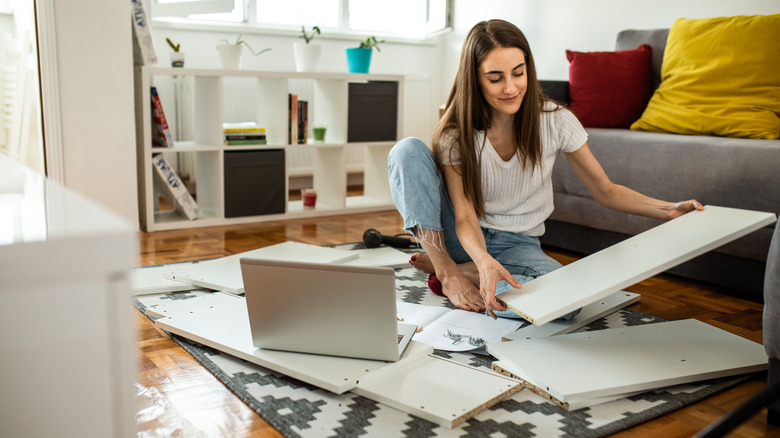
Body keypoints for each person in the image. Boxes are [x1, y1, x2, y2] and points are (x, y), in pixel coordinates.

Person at [387, 19, 703, 320]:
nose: (510, 88)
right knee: (407, 150)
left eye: (518, 73)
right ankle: (448, 271)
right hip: (462, 237)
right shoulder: (456, 134)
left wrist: (669, 209)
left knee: (566, 305)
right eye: (495, 78)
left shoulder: (556, 120)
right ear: (475, 79)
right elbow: (465, 217)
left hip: (519, 244)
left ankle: (467, 272)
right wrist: (482, 259)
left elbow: (605, 191)